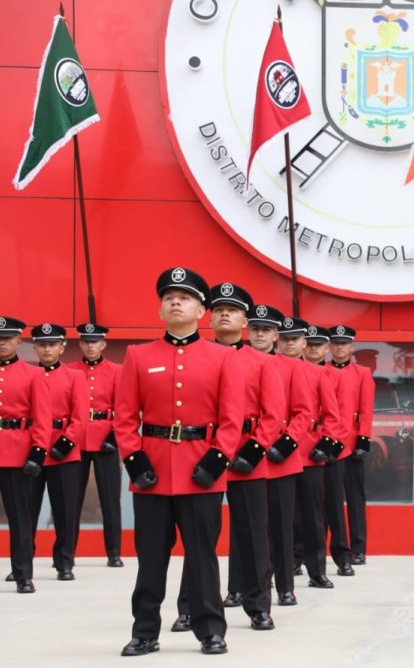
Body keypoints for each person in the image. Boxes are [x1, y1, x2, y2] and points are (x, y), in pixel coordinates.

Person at [114, 267, 245, 656]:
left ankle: (210, 630)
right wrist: (135, 462)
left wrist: (216, 461)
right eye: (169, 297)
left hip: (200, 471)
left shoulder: (223, 358)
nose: (175, 301)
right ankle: (145, 631)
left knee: (202, 555)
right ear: (160, 310)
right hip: (151, 473)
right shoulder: (139, 356)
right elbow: (124, 417)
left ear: (201, 310)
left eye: (185, 297)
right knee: (150, 556)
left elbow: (231, 419)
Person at [172, 283, 283, 634]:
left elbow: (272, 414)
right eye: (218, 308)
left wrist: (253, 452)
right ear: (208, 315)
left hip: (246, 458)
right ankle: (191, 607)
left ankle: (258, 606)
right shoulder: (193, 356)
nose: (224, 314)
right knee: (199, 535)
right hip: (203, 457)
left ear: (245, 320)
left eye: (232, 310)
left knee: (252, 535)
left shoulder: (262, 362)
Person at [248, 305, 313, 606]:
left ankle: (285, 586)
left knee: (282, 525)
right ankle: (242, 586)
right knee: (247, 529)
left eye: (266, 329)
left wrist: (285, 445)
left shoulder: (293, 367)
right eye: (255, 328)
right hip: (246, 458)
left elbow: (304, 413)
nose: (260, 334)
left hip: (279, 457)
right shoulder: (236, 363)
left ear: (276, 334)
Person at [26, 323, 88, 582]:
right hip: (31, 450)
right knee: (26, 510)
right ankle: (23, 561)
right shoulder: (27, 375)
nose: (47, 349)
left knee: (65, 509)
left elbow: (81, 416)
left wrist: (65, 443)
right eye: (42, 344)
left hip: (64, 450)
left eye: (52, 344)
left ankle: (64, 562)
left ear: (62, 347)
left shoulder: (75, 377)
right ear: (35, 347)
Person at [284, 319, 341, 589]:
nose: (290, 343)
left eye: (295, 338)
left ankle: (317, 570)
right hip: (276, 454)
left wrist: (325, 445)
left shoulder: (319, 374)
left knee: (313, 515)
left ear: (304, 343)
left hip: (309, 453)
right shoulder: (266, 368)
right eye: (284, 338)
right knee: (280, 517)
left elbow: (332, 415)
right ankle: (284, 566)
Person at [67, 322, 124, 568]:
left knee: (110, 498)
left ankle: (114, 553)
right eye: (86, 341)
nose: (91, 346)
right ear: (80, 343)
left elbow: (125, 407)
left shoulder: (117, 371)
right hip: (76, 440)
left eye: (95, 341)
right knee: (71, 500)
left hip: (105, 439)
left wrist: (114, 436)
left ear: (103, 344)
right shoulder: (70, 370)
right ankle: (67, 552)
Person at [0, 317, 50, 593]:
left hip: (17, 454)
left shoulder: (33, 375)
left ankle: (23, 575)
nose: (2, 343)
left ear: (19, 341)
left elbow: (42, 418)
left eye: (7, 338)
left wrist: (38, 453)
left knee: (20, 518)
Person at [330, 325, 375, 567]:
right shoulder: (321, 371)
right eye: (335, 343)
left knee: (355, 499)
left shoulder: (362, 373)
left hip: (352, 443)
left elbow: (366, 410)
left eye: (343, 343)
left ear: (351, 346)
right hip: (329, 445)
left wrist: (363, 440)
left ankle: (358, 548)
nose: (339, 347)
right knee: (331, 500)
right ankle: (337, 549)